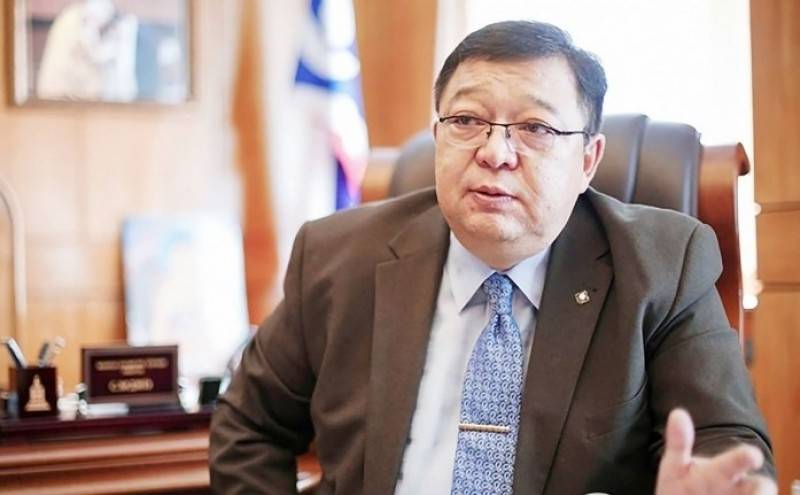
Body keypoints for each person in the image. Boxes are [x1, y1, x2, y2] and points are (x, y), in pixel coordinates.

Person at [210, 20, 776, 494]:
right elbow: (248, 426)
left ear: (588, 160)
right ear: (438, 135)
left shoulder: (662, 265)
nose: (496, 152)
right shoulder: (337, 257)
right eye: (466, 121)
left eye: (535, 128)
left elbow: (721, 440)